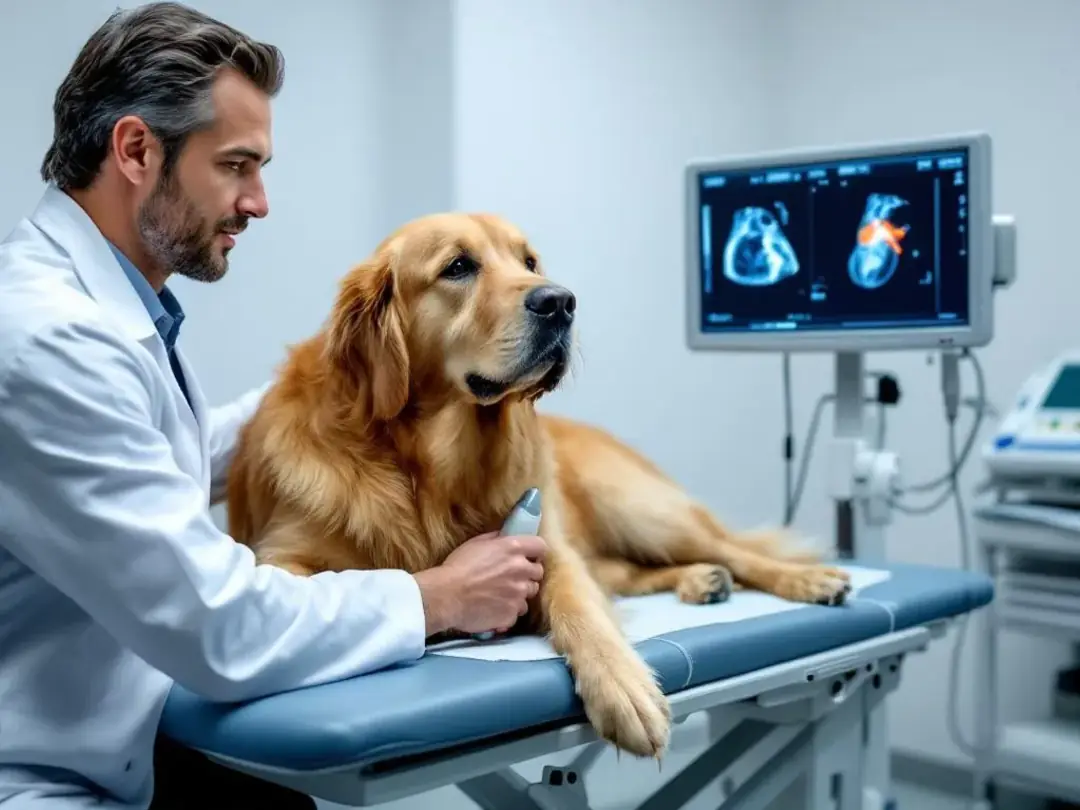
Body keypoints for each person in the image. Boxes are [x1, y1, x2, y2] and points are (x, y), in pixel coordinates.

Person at [0, 3, 548, 808]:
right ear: (136, 150)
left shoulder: (100, 311)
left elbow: (158, 461)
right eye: (236, 166)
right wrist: (441, 596)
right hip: (40, 780)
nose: (257, 202)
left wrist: (353, 382)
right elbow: (219, 624)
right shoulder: (49, 341)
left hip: (122, 738)